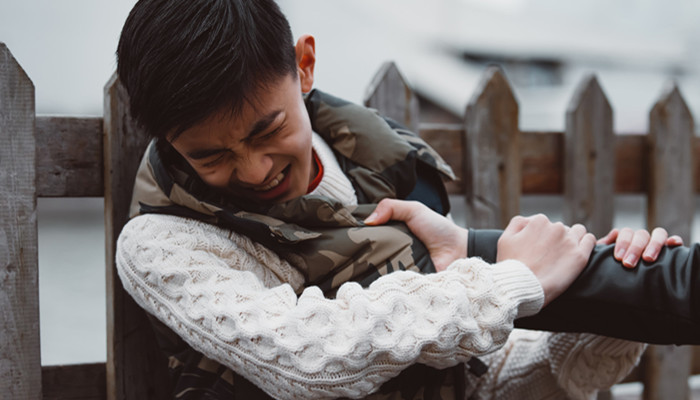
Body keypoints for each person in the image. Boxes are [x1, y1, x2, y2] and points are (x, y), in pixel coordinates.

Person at [114, 0, 663, 398]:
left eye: (267, 131)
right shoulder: (162, 243)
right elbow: (307, 360)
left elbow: (477, 379)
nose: (254, 169)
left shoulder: (390, 171)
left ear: (303, 66)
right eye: (211, 156)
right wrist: (511, 283)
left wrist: (610, 312)